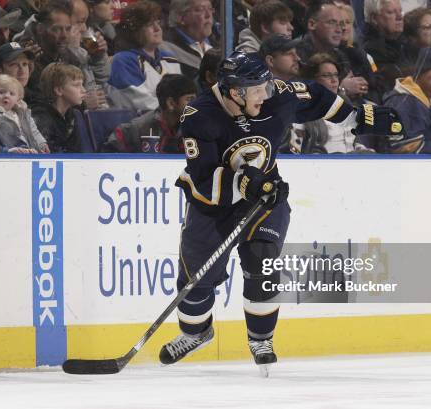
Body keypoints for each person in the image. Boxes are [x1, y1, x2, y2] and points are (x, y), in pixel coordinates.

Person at [158, 51, 403, 373]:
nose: (267, 93)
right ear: (235, 92)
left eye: (266, 85)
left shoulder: (278, 96)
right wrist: (245, 182)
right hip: (212, 206)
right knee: (196, 280)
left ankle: (261, 338)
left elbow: (317, 98)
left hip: (266, 198)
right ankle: (196, 333)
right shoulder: (199, 116)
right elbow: (203, 178)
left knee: (262, 261)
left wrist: (356, 119)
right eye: (257, 89)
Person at [107, 0, 181, 112]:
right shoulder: (124, 61)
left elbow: (181, 95)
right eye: (149, 25)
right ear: (134, 31)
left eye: (158, 22)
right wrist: (178, 111)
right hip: (139, 126)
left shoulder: (170, 59)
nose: (157, 29)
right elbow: (142, 104)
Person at [104, 73, 196, 152]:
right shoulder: (138, 128)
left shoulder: (196, 128)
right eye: (189, 99)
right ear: (171, 103)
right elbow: (108, 156)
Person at [0, 74, 50, 154]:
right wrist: (6, 151)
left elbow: (33, 131)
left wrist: (41, 143)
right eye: (1, 92)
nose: (6, 96)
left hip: (30, 153)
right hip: (9, 155)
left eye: (12, 94)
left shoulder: (23, 114)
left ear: (18, 99)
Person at [31, 62, 84, 153]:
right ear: (59, 90)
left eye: (82, 84)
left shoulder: (73, 115)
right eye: (76, 85)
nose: (83, 90)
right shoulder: (41, 117)